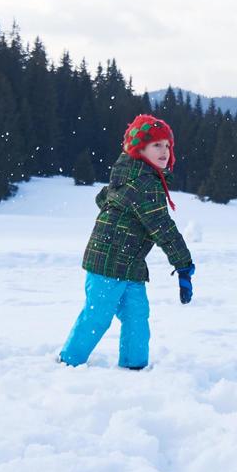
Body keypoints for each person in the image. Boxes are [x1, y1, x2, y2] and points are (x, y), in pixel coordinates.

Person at [59, 113, 196, 371]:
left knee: (136, 315)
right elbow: (162, 227)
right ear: (139, 148)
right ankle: (69, 362)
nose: (165, 151)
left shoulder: (129, 174)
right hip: (108, 262)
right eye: (157, 145)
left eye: (167, 145)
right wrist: (184, 264)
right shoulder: (143, 182)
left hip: (130, 262)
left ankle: (134, 367)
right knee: (97, 315)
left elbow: (103, 200)